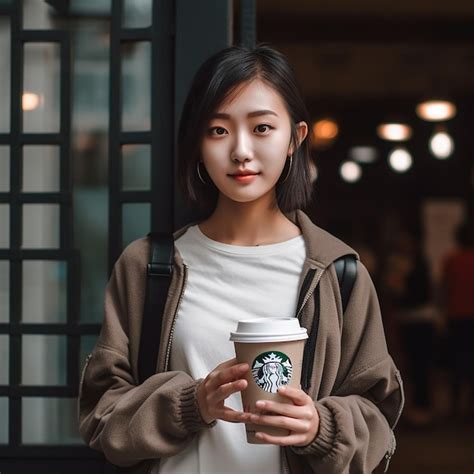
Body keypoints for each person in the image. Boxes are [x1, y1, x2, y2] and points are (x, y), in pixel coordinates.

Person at [78, 45, 404, 474]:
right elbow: (102, 415)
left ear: (295, 139)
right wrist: (190, 404)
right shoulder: (148, 267)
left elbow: (378, 417)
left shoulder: (338, 272)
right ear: (197, 143)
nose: (241, 151)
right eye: (217, 130)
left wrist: (320, 427)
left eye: (263, 127)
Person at [440, 220, 474, 416]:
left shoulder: (450, 260)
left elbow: (444, 290)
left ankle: (455, 406)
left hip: (456, 317)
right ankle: (470, 407)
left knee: (456, 364)